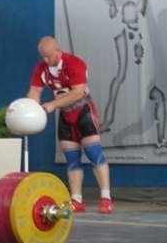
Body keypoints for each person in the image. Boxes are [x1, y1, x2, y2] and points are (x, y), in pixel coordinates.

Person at [27, 36, 113, 214]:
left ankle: (106, 198)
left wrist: (52, 105)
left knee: (94, 153)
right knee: (72, 159)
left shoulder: (75, 63)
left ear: (58, 51)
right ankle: (76, 200)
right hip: (65, 115)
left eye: (48, 56)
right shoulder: (41, 68)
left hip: (83, 111)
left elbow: (77, 92)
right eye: (42, 56)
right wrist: (31, 108)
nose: (45, 60)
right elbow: (35, 91)